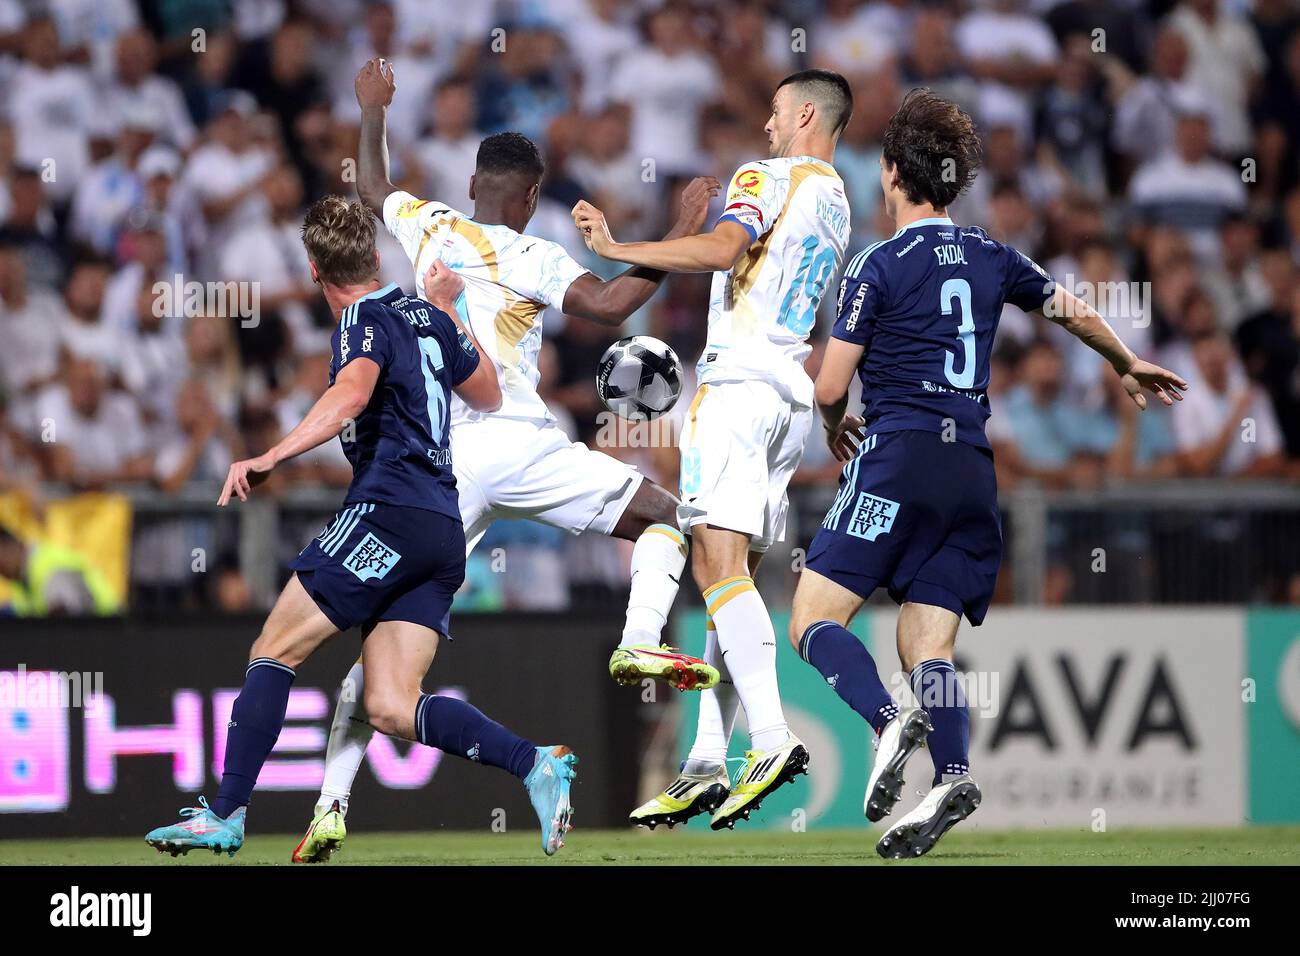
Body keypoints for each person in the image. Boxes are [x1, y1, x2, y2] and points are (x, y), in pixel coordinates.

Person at [292, 58, 720, 862]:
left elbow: (373, 182)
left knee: (384, 660)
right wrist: (678, 227)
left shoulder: (428, 225)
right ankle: (637, 637)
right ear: (529, 198)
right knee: (666, 516)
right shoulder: (538, 253)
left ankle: (329, 806)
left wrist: (371, 108)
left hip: (435, 471)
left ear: (473, 180)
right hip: (519, 443)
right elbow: (614, 304)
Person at [790, 89, 1187, 859]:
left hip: (899, 455)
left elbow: (832, 388)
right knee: (925, 644)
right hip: (972, 466)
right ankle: (952, 774)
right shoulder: (990, 253)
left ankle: (884, 721)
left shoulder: (877, 265)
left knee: (812, 618)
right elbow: (1071, 310)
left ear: (893, 173)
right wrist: (1126, 360)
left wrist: (836, 426)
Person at [144, 195, 578, 860]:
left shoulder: (359, 322)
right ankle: (534, 764)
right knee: (391, 705)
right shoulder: (425, 317)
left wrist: (271, 455)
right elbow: (488, 393)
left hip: (389, 512)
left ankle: (226, 813)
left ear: (315, 273)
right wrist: (450, 310)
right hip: (440, 527)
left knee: (273, 647)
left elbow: (350, 393)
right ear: (376, 257)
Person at [572, 69, 854, 829]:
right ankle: (705, 759)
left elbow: (726, 248)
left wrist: (619, 246)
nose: (763, 126)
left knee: (716, 570)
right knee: (724, 580)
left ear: (802, 115)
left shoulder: (765, 175)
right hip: (790, 397)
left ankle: (768, 738)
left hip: (736, 391)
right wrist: (828, 414)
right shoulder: (837, 203)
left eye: (771, 113)